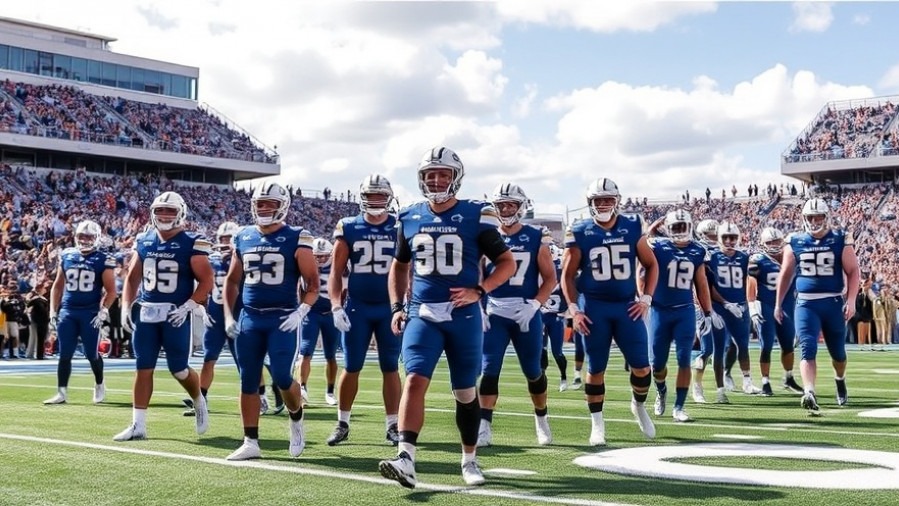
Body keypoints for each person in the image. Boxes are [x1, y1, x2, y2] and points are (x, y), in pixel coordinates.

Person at [378, 146, 516, 488]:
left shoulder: (476, 214)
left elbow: (507, 263)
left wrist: (480, 290)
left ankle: (469, 459)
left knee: (465, 391)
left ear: (456, 178)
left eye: (443, 174)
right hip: (422, 313)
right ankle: (406, 456)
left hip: (463, 314)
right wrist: (397, 307)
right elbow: (398, 267)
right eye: (430, 175)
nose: (436, 180)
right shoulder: (409, 216)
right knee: (414, 379)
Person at [224, 181, 320, 461]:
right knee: (248, 380)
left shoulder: (297, 237)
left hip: (283, 318)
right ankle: (250, 441)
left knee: (281, 376)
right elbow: (231, 281)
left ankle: (296, 418)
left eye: (270, 204)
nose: (264, 209)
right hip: (250, 317)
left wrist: (301, 311)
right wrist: (229, 314)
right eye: (260, 204)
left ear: (283, 207)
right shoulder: (243, 236)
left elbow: (313, 284)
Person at [560, 177, 658, 447]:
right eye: (598, 200)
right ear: (590, 203)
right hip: (594, 307)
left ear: (617, 201)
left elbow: (651, 264)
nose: (603, 204)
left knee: (641, 366)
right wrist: (574, 310)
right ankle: (597, 424)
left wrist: (646, 298)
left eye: (608, 200)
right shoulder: (579, 230)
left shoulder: (631, 226)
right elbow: (567, 275)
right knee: (596, 368)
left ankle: (638, 406)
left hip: (627, 306)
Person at [113, 192, 215, 441]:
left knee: (178, 369)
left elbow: (207, 280)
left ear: (180, 213)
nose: (165, 215)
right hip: (148, 312)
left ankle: (198, 399)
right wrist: (126, 305)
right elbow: (132, 278)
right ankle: (138, 425)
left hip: (175, 314)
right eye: (160, 211)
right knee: (143, 366)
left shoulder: (192, 241)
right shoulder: (144, 240)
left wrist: (190, 305)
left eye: (169, 210)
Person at [477, 183, 556, 447]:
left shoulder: (535, 236)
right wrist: (479, 305)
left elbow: (550, 278)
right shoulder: (486, 235)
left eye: (511, 204)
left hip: (526, 311)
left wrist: (535, 305)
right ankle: (485, 425)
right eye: (501, 205)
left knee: (533, 370)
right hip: (495, 311)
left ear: (521, 207)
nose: (506, 209)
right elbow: (477, 275)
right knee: (489, 371)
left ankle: (541, 418)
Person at [325, 174, 402, 447]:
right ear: (362, 198)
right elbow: (335, 273)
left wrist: (405, 304)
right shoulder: (348, 226)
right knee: (352, 365)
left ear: (389, 197)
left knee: (390, 366)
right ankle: (343, 422)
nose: (376, 201)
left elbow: (410, 271)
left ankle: (393, 425)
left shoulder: (399, 226)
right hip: (357, 306)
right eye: (371, 195)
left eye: (381, 195)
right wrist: (335, 306)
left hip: (389, 307)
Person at [775, 198, 860, 413]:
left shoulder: (840, 238)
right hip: (805, 303)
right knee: (807, 348)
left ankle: (840, 380)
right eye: (810, 217)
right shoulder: (795, 240)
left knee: (838, 354)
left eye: (818, 216)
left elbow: (853, 271)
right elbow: (785, 274)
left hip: (832, 302)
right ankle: (809, 392)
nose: (814, 221)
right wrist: (778, 303)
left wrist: (850, 300)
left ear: (826, 217)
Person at [646, 210, 715, 422]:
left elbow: (701, 284)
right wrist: (651, 229)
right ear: (667, 228)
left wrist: (708, 313)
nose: (679, 231)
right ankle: (661, 390)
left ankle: (679, 407)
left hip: (684, 310)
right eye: (675, 227)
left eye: (682, 226)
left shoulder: (697, 250)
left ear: (690, 226)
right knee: (657, 364)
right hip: (659, 310)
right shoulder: (658, 246)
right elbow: (643, 243)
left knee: (684, 358)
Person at [44, 220, 117, 404]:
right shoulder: (67, 255)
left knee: (91, 354)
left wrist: (103, 311)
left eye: (89, 237)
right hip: (68, 311)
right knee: (64, 353)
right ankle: (61, 392)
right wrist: (53, 311)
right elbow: (57, 287)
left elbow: (112, 291)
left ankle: (99, 383)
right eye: (81, 236)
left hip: (90, 312)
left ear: (97, 238)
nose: (84, 240)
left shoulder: (103, 259)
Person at [182, 221, 242, 417]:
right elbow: (202, 284)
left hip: (237, 313)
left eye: (229, 239)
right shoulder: (211, 259)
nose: (225, 242)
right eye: (222, 239)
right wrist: (201, 307)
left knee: (245, 360)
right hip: (215, 315)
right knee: (209, 358)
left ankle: (261, 395)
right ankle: (201, 398)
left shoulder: (243, 259)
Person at [707, 221, 761, 404]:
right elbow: (709, 286)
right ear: (719, 238)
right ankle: (720, 387)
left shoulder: (745, 257)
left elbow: (754, 278)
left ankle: (747, 381)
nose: (730, 241)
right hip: (720, 307)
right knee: (719, 348)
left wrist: (750, 302)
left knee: (743, 345)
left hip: (740, 306)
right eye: (726, 237)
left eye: (733, 237)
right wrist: (724, 303)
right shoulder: (711, 257)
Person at [747, 227, 803, 396]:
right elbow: (751, 283)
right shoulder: (758, 259)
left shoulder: (793, 257)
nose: (773, 245)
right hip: (766, 305)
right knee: (767, 345)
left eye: (776, 241)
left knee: (788, 344)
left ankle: (788, 377)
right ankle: (765, 381)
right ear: (762, 244)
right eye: (769, 242)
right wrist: (752, 306)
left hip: (787, 306)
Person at [297, 237, 340, 407]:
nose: (320, 259)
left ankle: (330, 391)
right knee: (305, 352)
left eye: (324, 256)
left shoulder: (338, 265)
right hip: (311, 313)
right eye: (317, 256)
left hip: (330, 313)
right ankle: (302, 389)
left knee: (331, 355)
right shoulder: (306, 265)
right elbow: (299, 288)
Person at [541, 244, 570, 392]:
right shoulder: (537, 270)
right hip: (541, 314)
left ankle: (564, 377)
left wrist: (566, 310)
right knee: (541, 349)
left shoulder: (561, 272)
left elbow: (570, 290)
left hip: (556, 315)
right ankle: (541, 378)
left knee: (557, 351)